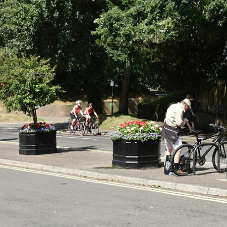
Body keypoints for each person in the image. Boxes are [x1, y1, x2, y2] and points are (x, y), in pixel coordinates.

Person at [162, 98, 192, 175]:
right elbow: (179, 123)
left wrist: (183, 119)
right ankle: (176, 169)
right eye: (187, 108)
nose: (187, 110)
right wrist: (184, 122)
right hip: (173, 131)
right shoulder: (180, 109)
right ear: (185, 105)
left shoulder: (173, 105)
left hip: (166, 129)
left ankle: (167, 169)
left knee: (169, 149)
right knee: (178, 148)